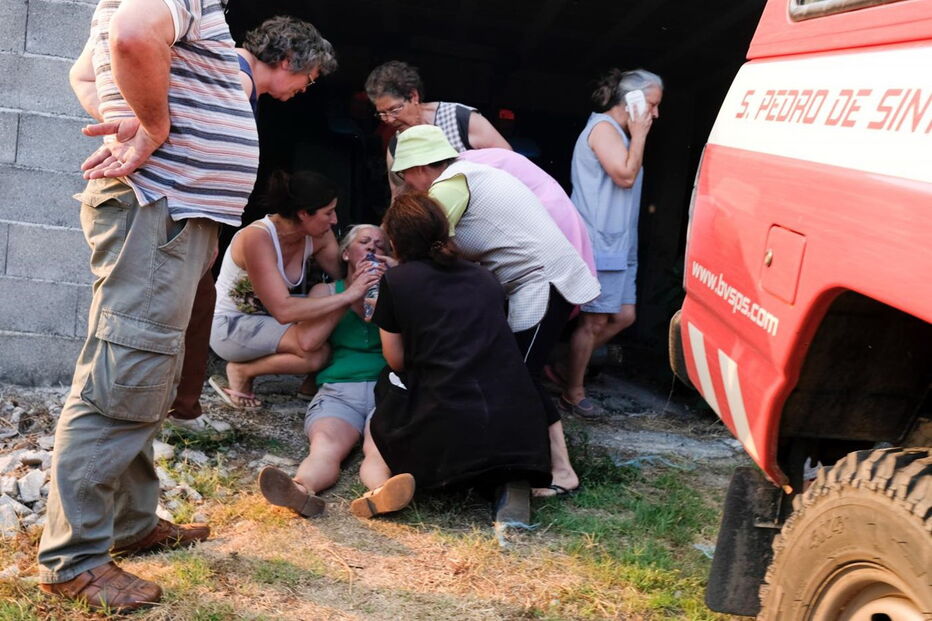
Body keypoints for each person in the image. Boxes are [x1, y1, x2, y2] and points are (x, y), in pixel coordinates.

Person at [38, 0, 259, 611]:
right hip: (158, 208)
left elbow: (86, 73)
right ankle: (74, 562)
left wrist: (130, 118)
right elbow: (135, 37)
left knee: (141, 371)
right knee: (124, 372)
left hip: (167, 211)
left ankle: (129, 525)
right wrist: (153, 128)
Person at [389, 125, 601, 497]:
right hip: (536, 283)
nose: (407, 183)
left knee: (518, 377)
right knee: (515, 374)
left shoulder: (449, 187)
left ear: (420, 167)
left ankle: (560, 471)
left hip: (542, 283)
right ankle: (517, 462)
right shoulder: (472, 172)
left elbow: (426, 247)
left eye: (405, 174)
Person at [168, 16, 338, 432]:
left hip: (196, 224)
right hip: (179, 220)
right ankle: (167, 415)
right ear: (286, 61)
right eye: (308, 78)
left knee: (192, 315)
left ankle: (183, 411)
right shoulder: (237, 81)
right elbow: (199, 150)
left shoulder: (243, 85)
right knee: (177, 321)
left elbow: (339, 268)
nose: (305, 88)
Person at [351, 193, 552, 518]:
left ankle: (379, 483)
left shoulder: (397, 281)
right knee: (491, 450)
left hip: (443, 431)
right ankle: (509, 485)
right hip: (515, 431)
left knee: (387, 389)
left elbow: (396, 360)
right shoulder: (484, 277)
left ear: (394, 240)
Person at [208, 171, 381, 409]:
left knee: (331, 303)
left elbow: (345, 278)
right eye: (328, 212)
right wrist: (349, 294)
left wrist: (376, 262)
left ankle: (313, 385)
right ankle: (242, 371)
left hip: (272, 319)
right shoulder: (257, 238)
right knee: (315, 349)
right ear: (303, 213)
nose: (334, 220)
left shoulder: (318, 235)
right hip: (231, 324)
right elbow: (284, 310)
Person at [257, 224, 390, 517]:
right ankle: (300, 490)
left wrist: (384, 292)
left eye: (381, 246)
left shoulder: (397, 289)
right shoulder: (325, 291)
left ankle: (382, 495)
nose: (372, 249)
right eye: (364, 242)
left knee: (378, 447)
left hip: (387, 388)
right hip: (340, 389)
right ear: (345, 254)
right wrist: (349, 296)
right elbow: (309, 342)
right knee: (325, 446)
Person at [560, 69, 663, 418]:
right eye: (652, 104)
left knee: (624, 315)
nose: (655, 114)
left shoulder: (619, 133)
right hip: (600, 240)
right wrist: (640, 134)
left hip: (620, 242)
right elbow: (625, 175)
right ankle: (573, 391)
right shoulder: (604, 129)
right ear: (631, 100)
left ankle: (563, 365)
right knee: (595, 322)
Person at [364, 60, 511, 194]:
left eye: (394, 110)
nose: (389, 120)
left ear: (414, 96)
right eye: (382, 114)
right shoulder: (396, 148)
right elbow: (399, 198)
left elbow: (510, 163)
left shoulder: (460, 120)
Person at [458, 148, 596, 274]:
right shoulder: (469, 162)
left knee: (557, 284)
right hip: (547, 213)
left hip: (548, 217)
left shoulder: (463, 172)